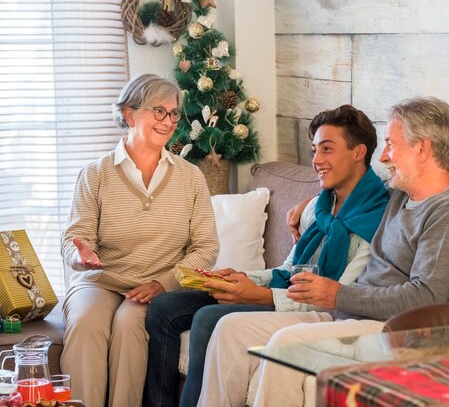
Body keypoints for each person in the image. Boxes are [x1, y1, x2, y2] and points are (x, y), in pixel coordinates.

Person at [198, 96, 449, 407]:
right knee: (229, 329)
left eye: (392, 144)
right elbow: (354, 188)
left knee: (285, 346)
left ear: (422, 148)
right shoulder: (400, 196)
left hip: (403, 333)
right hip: (354, 317)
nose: (384, 157)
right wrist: (312, 204)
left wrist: (337, 295)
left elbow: (426, 298)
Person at [143, 105, 390, 407]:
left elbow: (341, 298)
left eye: (327, 150)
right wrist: (241, 278)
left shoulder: (378, 219)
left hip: (320, 310)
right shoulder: (320, 206)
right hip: (286, 291)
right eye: (314, 150)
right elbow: (289, 269)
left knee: (209, 319)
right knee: (164, 308)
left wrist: (260, 296)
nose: (317, 161)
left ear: (358, 152)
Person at [59, 74, 219, 407]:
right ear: (130, 115)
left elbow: (206, 247)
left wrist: (164, 282)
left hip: (155, 285)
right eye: (158, 111)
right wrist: (81, 255)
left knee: (130, 325)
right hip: (100, 281)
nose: (169, 121)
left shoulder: (190, 177)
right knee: (86, 323)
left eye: (174, 113)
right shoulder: (96, 173)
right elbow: (75, 238)